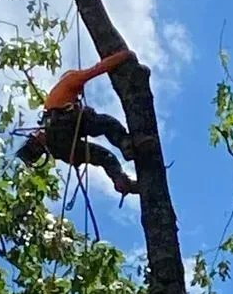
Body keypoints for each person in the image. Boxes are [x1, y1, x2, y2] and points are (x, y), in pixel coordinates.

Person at [16, 49, 146, 195]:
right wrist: (125, 56)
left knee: (104, 157)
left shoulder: (53, 99)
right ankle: (126, 144)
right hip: (67, 124)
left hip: (59, 148)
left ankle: (120, 181)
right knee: (107, 124)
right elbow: (98, 69)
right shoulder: (72, 79)